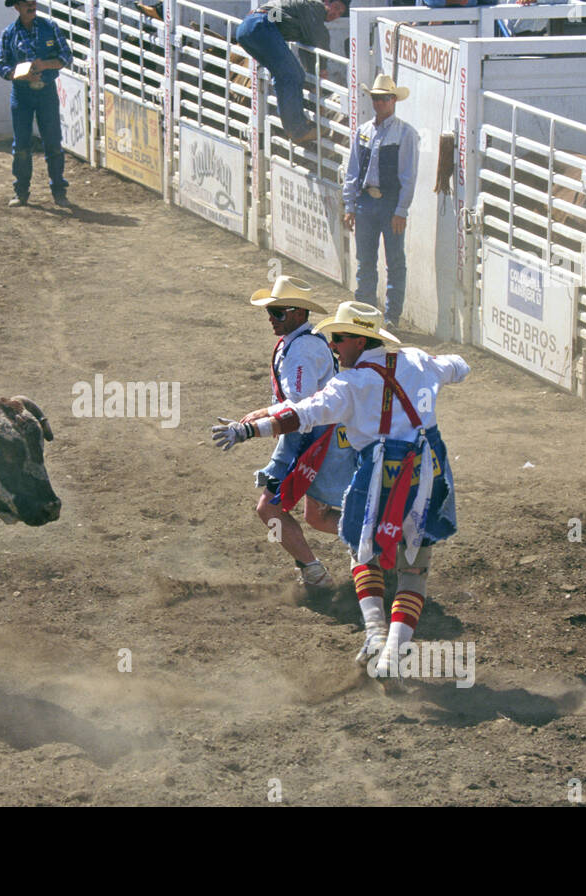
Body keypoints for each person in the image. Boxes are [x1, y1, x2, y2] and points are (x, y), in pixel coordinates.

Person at [212, 302, 469, 684]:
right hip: (426, 473)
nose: (333, 346)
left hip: (378, 474)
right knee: (413, 567)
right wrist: (426, 365)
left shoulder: (350, 384)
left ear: (360, 341)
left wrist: (249, 430)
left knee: (362, 551)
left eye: (339, 338)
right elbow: (460, 366)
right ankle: (394, 652)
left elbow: (301, 414)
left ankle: (375, 634)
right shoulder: (417, 361)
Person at [240, 276, 357, 600]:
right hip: (318, 437)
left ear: (297, 314)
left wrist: (264, 416)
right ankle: (371, 541)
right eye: (271, 311)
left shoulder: (302, 348)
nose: (271, 317)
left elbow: (300, 406)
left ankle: (318, 571)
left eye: (277, 312)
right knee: (316, 516)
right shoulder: (302, 341)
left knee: (270, 508)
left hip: (311, 440)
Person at [341, 74, 419, 330]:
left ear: (393, 100)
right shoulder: (364, 131)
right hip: (366, 201)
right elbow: (353, 170)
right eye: (375, 98)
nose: (378, 103)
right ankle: (365, 313)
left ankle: (390, 318)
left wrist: (401, 210)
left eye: (383, 99)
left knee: (394, 260)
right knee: (366, 260)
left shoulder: (405, 134)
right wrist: (350, 205)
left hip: (389, 203)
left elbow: (409, 175)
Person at [235, 1, 350, 144]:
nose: (336, 15)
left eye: (340, 13)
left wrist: (314, 78)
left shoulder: (303, 12)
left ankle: (295, 125)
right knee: (291, 75)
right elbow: (319, 36)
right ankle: (297, 129)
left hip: (248, 28)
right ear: (326, 1)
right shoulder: (315, 7)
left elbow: (308, 45)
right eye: (336, 8)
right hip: (261, 25)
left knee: (284, 73)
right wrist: (322, 68)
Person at [0, 0, 74, 208]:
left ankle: (59, 191)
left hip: (46, 91)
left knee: (53, 142)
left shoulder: (50, 27)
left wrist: (45, 65)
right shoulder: (9, 33)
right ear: (17, 7)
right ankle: (21, 192)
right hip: (22, 94)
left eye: (33, 2)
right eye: (26, 3)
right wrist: (19, 75)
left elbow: (66, 56)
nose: (31, 6)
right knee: (21, 145)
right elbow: (0, 64)